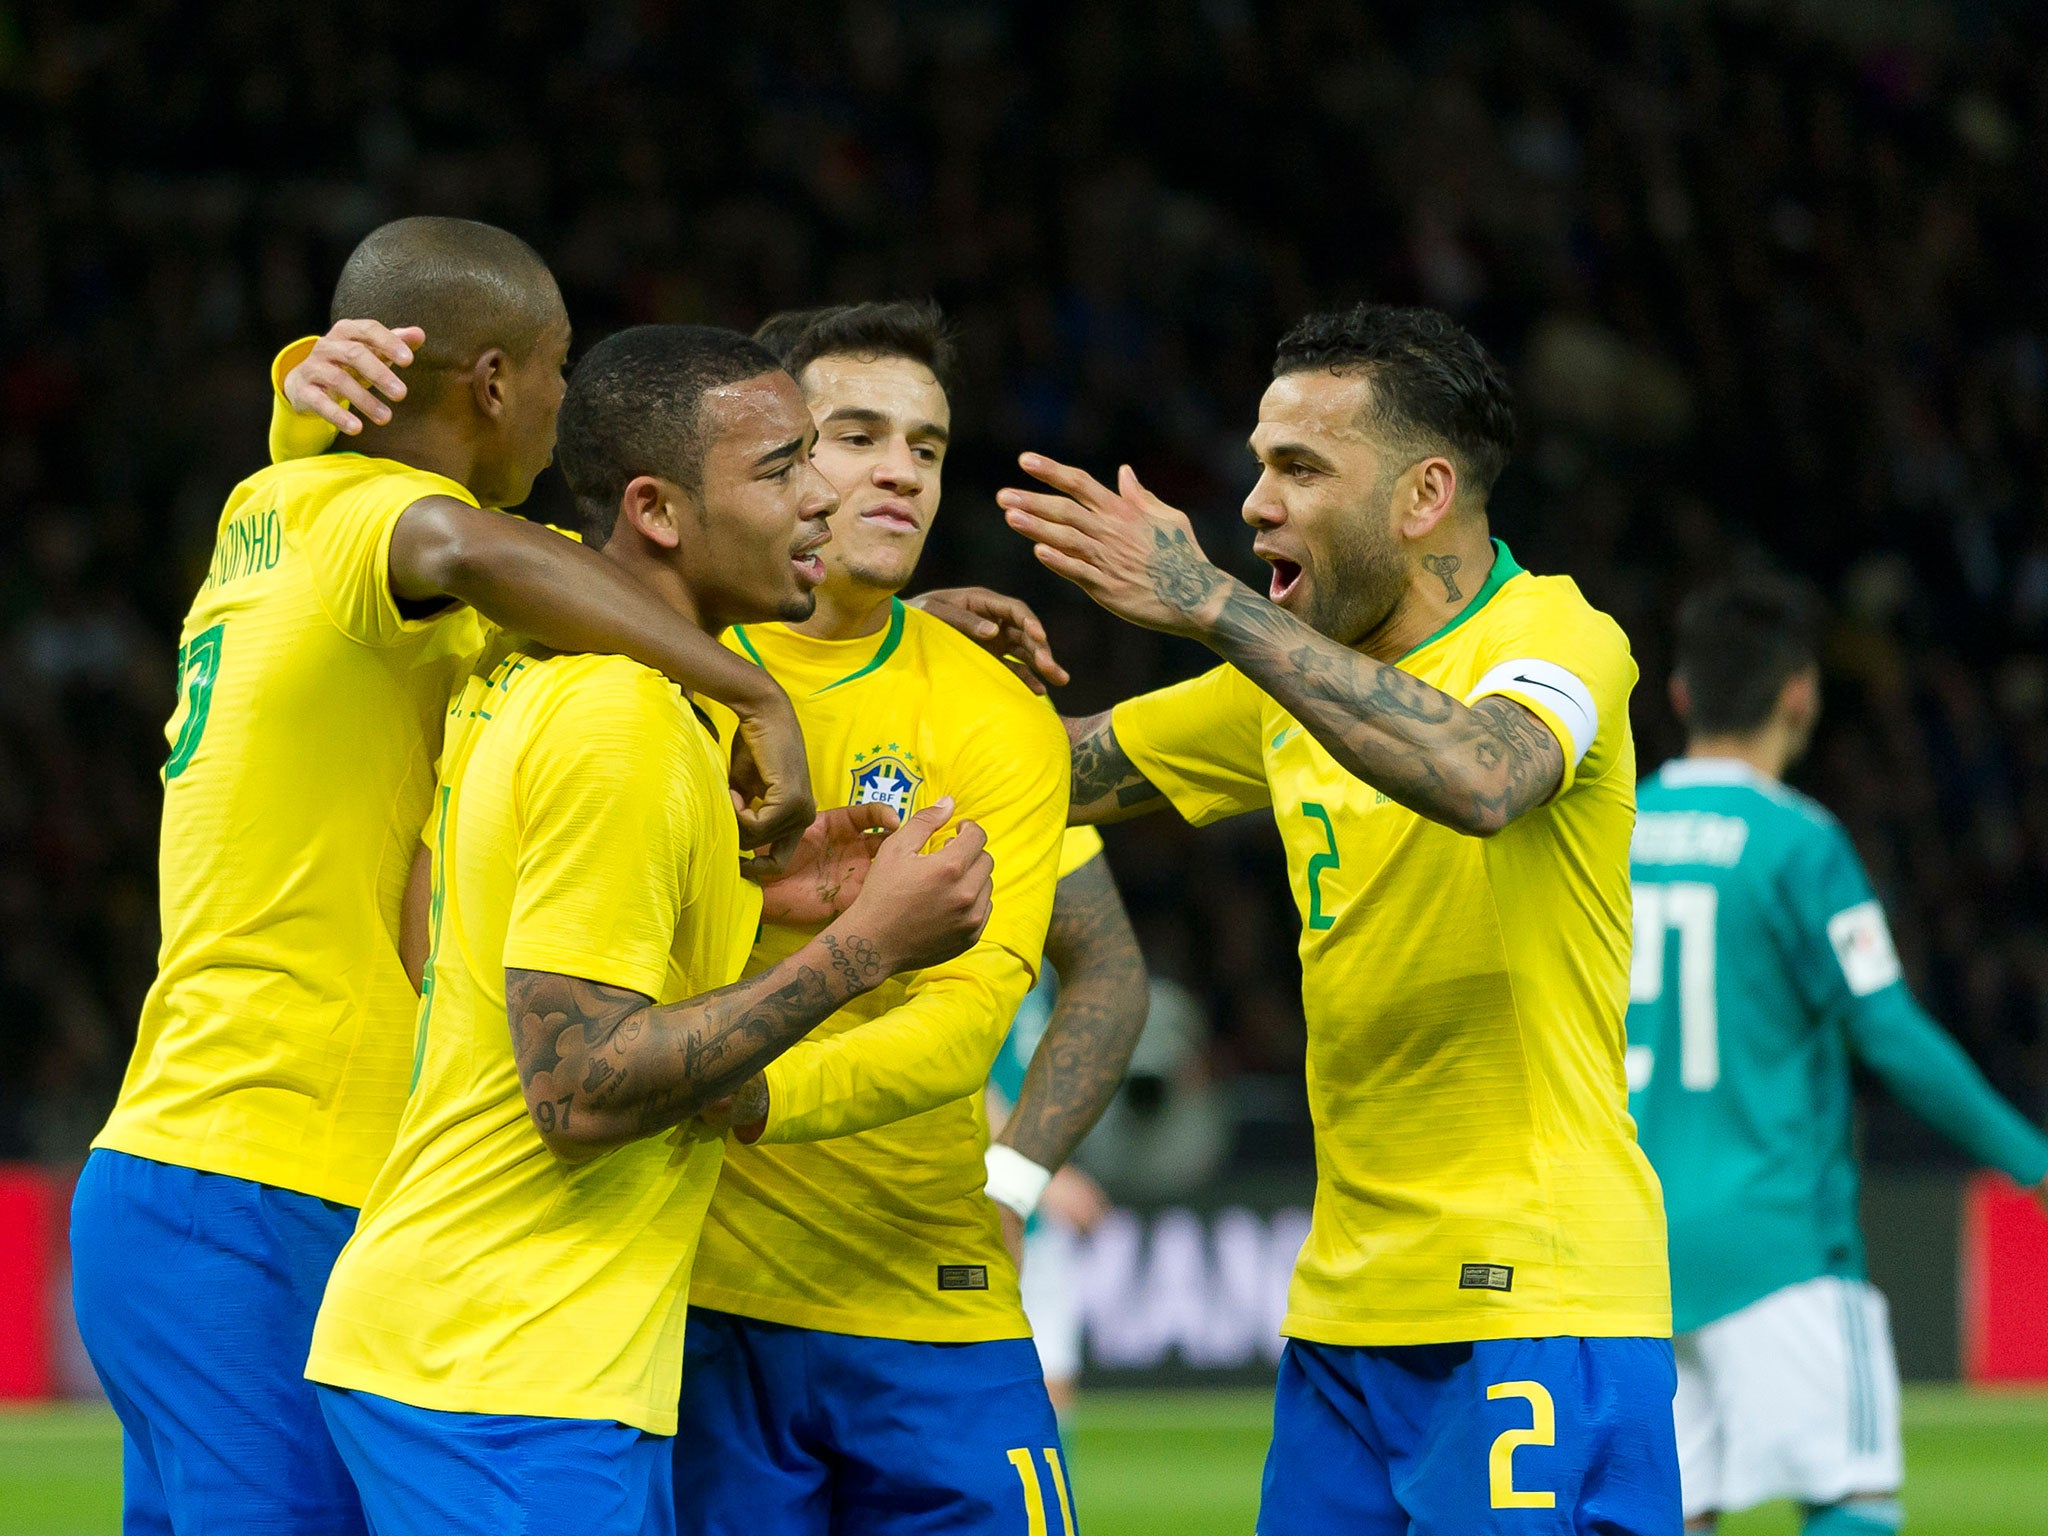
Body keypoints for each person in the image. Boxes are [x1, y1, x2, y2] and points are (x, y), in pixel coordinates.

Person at [67, 217, 814, 1536]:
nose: (567, 403)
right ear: (490, 384)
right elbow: (469, 547)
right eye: (559, 366)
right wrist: (753, 693)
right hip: (268, 1165)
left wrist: (905, 623)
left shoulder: (271, 507)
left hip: (183, 1167)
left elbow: (600, 577)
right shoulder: (391, 530)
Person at [998, 301, 1679, 1534]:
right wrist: (876, 662)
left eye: (1298, 468)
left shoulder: (1556, 639)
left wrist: (1215, 609)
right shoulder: (1288, 678)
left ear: (1423, 496)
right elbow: (1035, 776)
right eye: (1259, 462)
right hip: (1341, 1321)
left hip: (1528, 1298)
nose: (1253, 502)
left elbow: (1479, 775)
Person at [303, 323, 995, 1536]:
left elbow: (447, 934)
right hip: (507, 1372)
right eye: (783, 469)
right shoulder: (622, 723)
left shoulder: (563, 676)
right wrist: (863, 950)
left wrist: (762, 901)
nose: (826, 496)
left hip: (497, 1355)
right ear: (658, 512)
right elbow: (578, 1092)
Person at [671, 301, 1139, 1536]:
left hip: (929, 1296)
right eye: (854, 434)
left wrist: (732, 1087)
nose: (897, 470)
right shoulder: (650, 662)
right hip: (693, 1306)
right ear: (769, 451)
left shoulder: (993, 716)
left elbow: (970, 1017)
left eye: (925, 448)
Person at [1627, 572, 2048, 1536]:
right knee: (1851, 1498)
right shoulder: (1798, 845)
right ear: (1799, 693)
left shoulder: (1616, 835)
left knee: (1673, 1513)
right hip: (1777, 1242)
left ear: (1684, 695)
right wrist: (2032, 1161)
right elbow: (1887, 1029)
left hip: (1633, 1255)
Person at [983, 821, 1142, 1416]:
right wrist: (1037, 1173)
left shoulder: (1045, 958)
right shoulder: (972, 941)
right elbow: (959, 1075)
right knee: (1005, 1401)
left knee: (1051, 1399)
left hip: (1028, 1195)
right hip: (984, 1192)